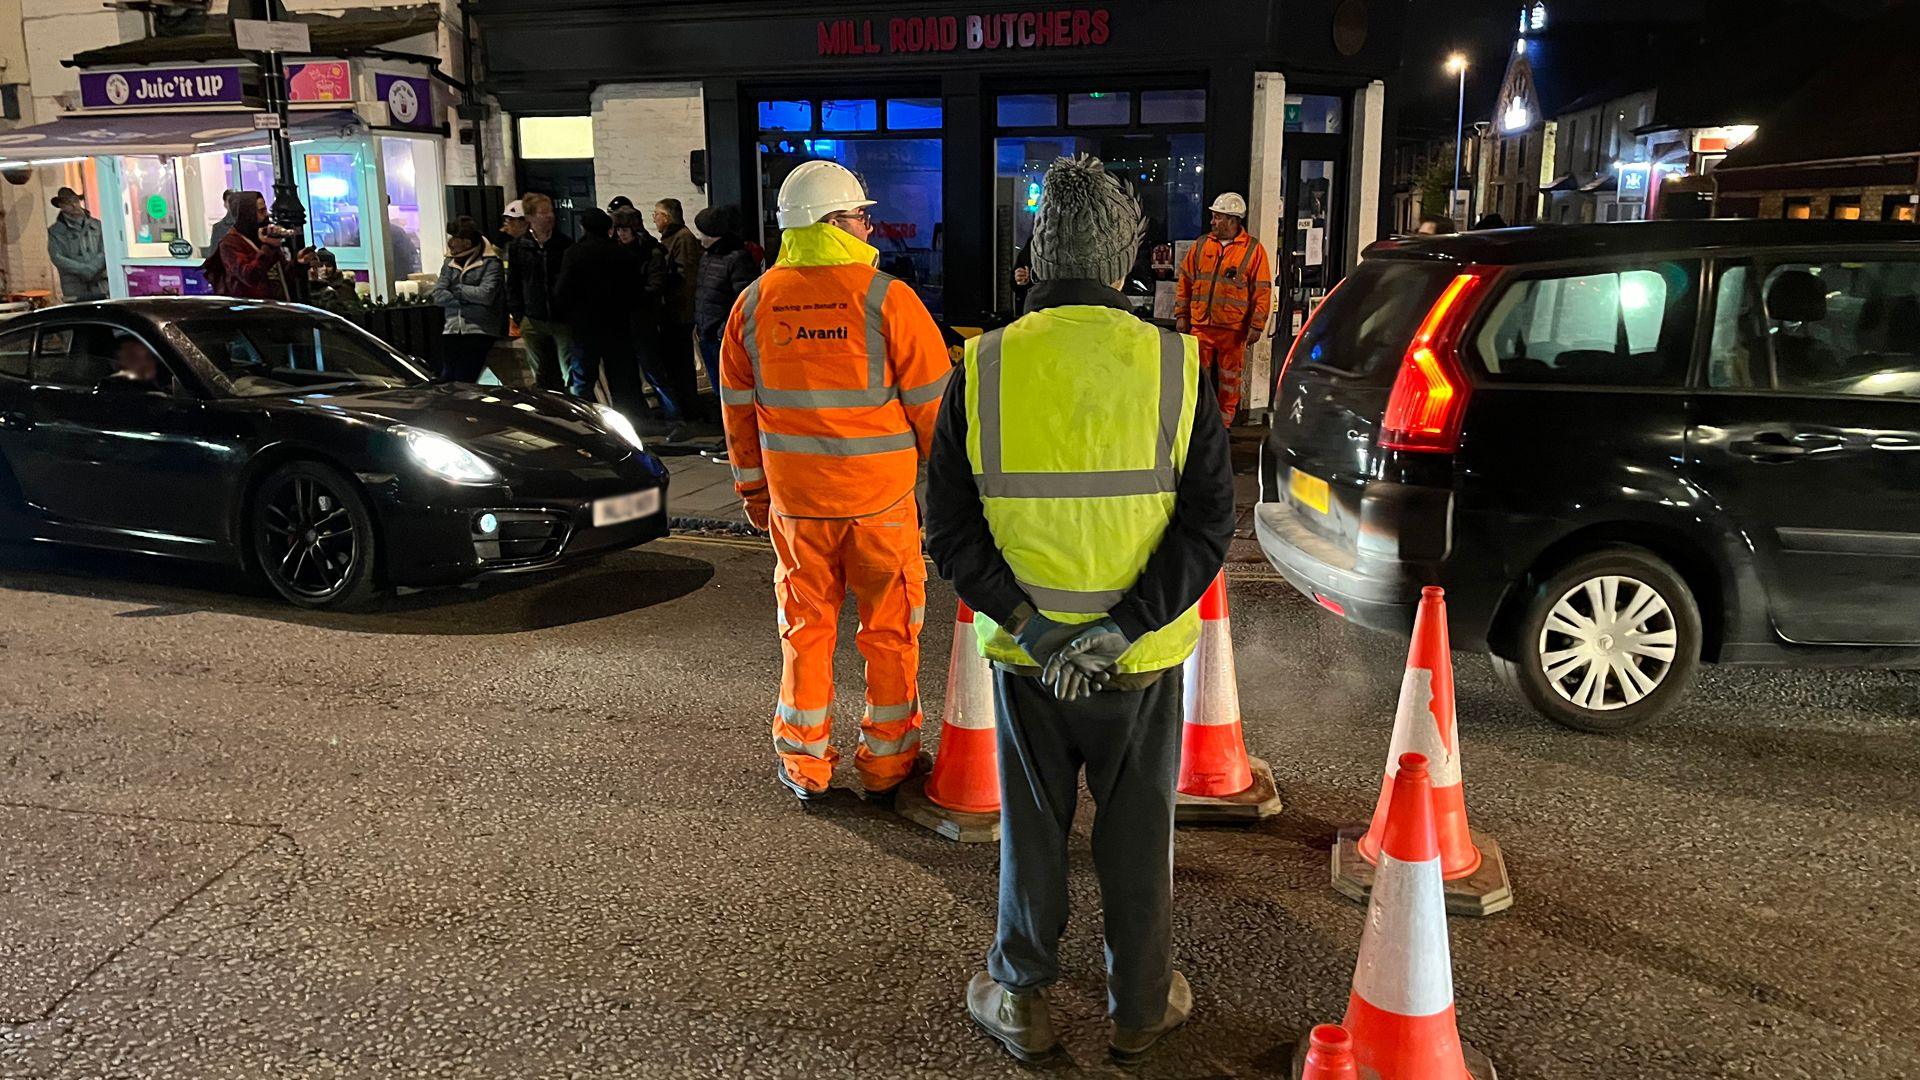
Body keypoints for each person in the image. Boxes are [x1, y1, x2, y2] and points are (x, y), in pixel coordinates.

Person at [924, 154, 1235, 1065]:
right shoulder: (1176, 365)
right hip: (1136, 665)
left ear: (1035, 251)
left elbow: (949, 527)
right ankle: (1140, 1008)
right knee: (1139, 840)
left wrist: (1030, 625)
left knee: (1032, 835)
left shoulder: (981, 366)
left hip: (1027, 666)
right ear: (1125, 257)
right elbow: (1209, 520)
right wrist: (1124, 626)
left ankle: (1021, 996)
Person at [718, 159, 950, 804]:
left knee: (805, 631)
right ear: (831, 222)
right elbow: (937, 415)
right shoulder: (887, 300)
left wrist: (755, 495)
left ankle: (805, 761)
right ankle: (888, 764)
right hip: (879, 506)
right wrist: (959, 498)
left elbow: (738, 415)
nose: (869, 226)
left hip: (797, 508)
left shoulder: (753, 304)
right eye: (858, 215)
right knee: (891, 634)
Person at [1175, 192, 1271, 427]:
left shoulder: (1252, 250)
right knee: (1198, 377)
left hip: (1233, 329)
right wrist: (1181, 315)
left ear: (1233, 220)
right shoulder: (1201, 246)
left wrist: (1257, 325)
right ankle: (1198, 422)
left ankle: (1224, 424)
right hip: (1201, 325)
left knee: (1230, 380)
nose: (1212, 222)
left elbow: (1262, 290)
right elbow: (1185, 282)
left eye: (1218, 217)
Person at [553, 207, 645, 412]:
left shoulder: (574, 253)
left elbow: (563, 290)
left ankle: (585, 419)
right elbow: (636, 292)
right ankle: (629, 420)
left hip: (584, 325)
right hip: (617, 324)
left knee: (583, 380)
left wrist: (568, 314)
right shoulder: (622, 254)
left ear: (583, 227)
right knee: (622, 378)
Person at [693, 204, 758, 424]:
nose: (700, 238)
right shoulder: (709, 256)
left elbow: (743, 299)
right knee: (719, 389)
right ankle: (727, 433)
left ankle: (733, 437)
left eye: (704, 233)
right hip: (708, 332)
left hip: (722, 336)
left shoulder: (737, 258)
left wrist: (723, 330)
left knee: (730, 392)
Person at [612, 206, 677, 426]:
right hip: (624, 321)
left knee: (653, 371)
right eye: (618, 229)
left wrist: (631, 295)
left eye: (625, 229)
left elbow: (656, 285)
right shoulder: (616, 251)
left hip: (643, 320)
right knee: (629, 374)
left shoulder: (651, 252)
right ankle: (640, 416)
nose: (621, 234)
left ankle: (673, 416)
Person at [506, 192, 574, 393]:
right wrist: (519, 315)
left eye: (551, 211)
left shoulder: (563, 244)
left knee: (568, 370)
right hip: (533, 317)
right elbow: (514, 282)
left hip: (561, 318)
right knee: (541, 371)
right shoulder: (519, 247)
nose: (550, 216)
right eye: (544, 212)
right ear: (530, 218)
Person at [430, 217, 507, 383]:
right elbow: (438, 295)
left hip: (479, 330)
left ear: (466, 242)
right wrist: (468, 297)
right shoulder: (449, 262)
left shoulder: (490, 263)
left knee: (464, 378)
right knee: (446, 378)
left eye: (454, 238)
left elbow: (486, 295)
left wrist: (456, 290)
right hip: (451, 329)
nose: (450, 242)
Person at [654, 197, 706, 427]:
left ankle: (689, 409)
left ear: (666, 217)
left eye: (656, 214)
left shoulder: (682, 239)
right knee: (675, 364)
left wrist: (677, 304)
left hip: (678, 314)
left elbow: (687, 277)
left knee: (682, 364)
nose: (653, 219)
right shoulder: (670, 238)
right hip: (672, 313)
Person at [212, 190, 290, 300]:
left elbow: (282, 272)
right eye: (261, 211)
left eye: (265, 209)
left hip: (276, 306)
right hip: (253, 310)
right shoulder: (230, 243)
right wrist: (267, 247)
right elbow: (249, 276)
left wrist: (299, 263)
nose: (266, 215)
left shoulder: (262, 237)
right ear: (248, 214)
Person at [47, 187, 108, 303]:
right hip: (74, 287)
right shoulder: (55, 231)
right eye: (68, 203)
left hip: (100, 284)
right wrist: (83, 269)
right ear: (61, 206)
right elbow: (57, 257)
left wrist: (94, 267)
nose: (74, 205)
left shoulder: (97, 225)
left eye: (75, 201)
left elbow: (106, 249)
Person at [298, 247, 363, 314]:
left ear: (334, 268)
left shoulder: (346, 289)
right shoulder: (309, 290)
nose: (324, 269)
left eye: (328, 265)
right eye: (320, 266)